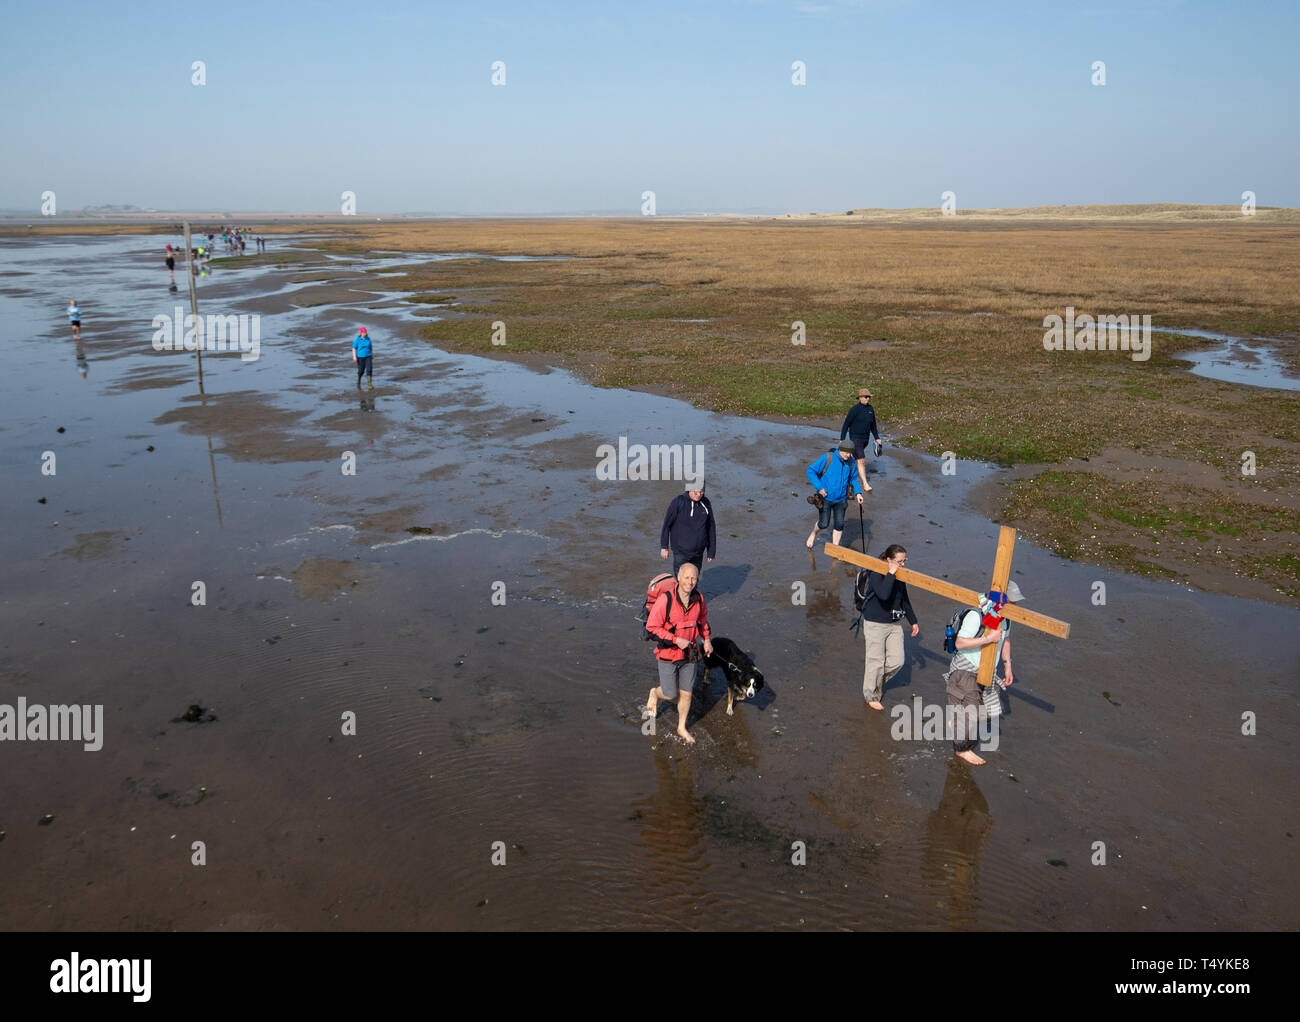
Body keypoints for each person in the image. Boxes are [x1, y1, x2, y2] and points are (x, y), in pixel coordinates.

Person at [944, 580, 1023, 766]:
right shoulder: (976, 616)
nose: (1017, 606)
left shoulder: (1006, 619)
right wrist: (988, 638)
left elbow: (1006, 640)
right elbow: (960, 643)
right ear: (1002, 601)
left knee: (988, 710)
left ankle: (955, 722)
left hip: (986, 670)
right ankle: (962, 750)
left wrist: (1008, 665)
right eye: (1014, 602)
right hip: (964, 669)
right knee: (971, 714)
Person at [644, 562, 713, 745]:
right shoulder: (665, 600)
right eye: (687, 577)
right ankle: (655, 694)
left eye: (694, 578)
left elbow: (703, 621)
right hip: (668, 654)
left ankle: (681, 727)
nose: (690, 582)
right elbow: (652, 627)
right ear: (679, 578)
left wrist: (706, 640)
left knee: (687, 693)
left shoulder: (699, 599)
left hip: (690, 655)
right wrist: (675, 640)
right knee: (669, 693)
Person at [852, 544, 918, 710]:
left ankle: (875, 682)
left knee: (897, 661)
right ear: (889, 560)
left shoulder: (900, 575)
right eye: (899, 561)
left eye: (904, 560)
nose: (902, 564)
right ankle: (871, 695)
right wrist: (890, 573)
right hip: (875, 623)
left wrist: (913, 621)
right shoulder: (876, 573)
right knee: (875, 661)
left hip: (894, 624)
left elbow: (904, 599)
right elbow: (883, 594)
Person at [805, 439, 864, 550]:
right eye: (846, 452)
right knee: (823, 524)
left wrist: (858, 493)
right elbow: (811, 470)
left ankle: (835, 548)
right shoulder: (828, 458)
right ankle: (813, 534)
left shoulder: (851, 461)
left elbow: (853, 479)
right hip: (825, 498)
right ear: (840, 450)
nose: (849, 455)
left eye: (850, 453)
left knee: (840, 524)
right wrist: (820, 487)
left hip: (841, 499)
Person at [659, 480, 715, 575]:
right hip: (681, 552)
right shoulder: (678, 502)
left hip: (698, 553)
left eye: (701, 492)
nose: (698, 495)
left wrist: (711, 550)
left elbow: (711, 527)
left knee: (693, 579)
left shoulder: (706, 503)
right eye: (695, 492)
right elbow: (667, 525)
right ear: (689, 489)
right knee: (681, 580)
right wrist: (664, 547)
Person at [840, 386, 882, 494]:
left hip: (865, 439)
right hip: (855, 438)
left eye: (869, 397)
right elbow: (846, 424)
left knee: (855, 458)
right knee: (862, 459)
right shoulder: (854, 409)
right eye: (866, 397)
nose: (867, 399)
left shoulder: (870, 409)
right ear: (860, 398)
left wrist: (877, 438)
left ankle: (846, 474)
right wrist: (842, 439)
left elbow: (873, 425)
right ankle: (865, 483)